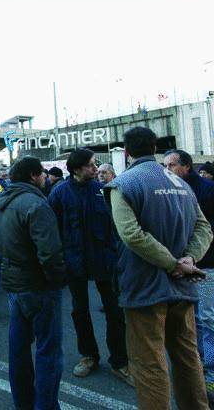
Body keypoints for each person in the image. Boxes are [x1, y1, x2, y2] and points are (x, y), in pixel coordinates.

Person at [104, 127, 213, 410]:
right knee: (187, 356)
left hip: (144, 286)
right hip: (182, 285)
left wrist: (172, 263)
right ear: (155, 148)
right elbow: (204, 228)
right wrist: (189, 260)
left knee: (149, 363)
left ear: (126, 152)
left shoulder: (124, 184)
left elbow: (131, 234)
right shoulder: (182, 184)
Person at [48, 149, 131, 385]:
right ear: (76, 169)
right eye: (92, 165)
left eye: (97, 165)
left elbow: (117, 226)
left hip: (105, 260)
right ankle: (89, 356)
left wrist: (116, 254)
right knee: (79, 310)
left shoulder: (104, 191)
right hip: (74, 262)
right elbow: (52, 229)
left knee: (115, 310)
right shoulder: (59, 193)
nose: (97, 169)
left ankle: (120, 360)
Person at [0, 156, 67, 410]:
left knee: (19, 350)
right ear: (34, 176)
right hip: (38, 285)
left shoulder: (0, 202)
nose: (46, 178)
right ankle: (45, 406)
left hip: (13, 282)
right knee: (48, 352)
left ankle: (23, 403)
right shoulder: (36, 204)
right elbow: (50, 252)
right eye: (43, 174)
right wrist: (57, 279)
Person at [164, 149, 214, 404]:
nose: (167, 170)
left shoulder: (212, 190)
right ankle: (197, 372)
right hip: (182, 266)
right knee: (190, 321)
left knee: (210, 319)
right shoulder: (171, 191)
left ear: (186, 166)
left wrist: (197, 230)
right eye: (165, 165)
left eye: (171, 165)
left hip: (209, 266)